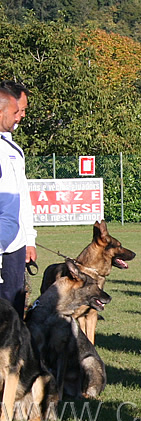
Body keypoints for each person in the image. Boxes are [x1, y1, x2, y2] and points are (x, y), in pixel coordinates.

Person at [0, 82, 36, 316]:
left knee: (13, 315)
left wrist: (28, 238)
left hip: (14, 245)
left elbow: (21, 198)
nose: (20, 116)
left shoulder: (12, 149)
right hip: (3, 245)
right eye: (17, 111)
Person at [0, 88, 21, 297]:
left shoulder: (6, 151)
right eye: (14, 112)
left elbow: (10, 211)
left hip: (7, 247)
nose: (19, 118)